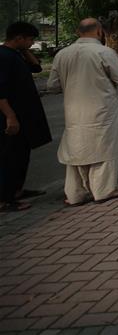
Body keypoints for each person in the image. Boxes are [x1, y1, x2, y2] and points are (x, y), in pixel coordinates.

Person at [46, 18, 118, 205]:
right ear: (100, 32)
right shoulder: (104, 52)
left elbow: (52, 86)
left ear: (78, 32)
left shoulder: (62, 54)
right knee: (103, 150)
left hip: (73, 112)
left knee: (76, 150)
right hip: (102, 110)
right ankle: (103, 191)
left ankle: (75, 194)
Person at [0, 22, 51, 212]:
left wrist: (25, 50)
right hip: (11, 116)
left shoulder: (16, 55)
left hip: (26, 115)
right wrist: (10, 116)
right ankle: (5, 199)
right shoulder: (3, 57)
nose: (32, 43)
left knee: (22, 154)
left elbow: (36, 68)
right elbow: (0, 91)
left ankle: (16, 190)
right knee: (9, 157)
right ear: (18, 38)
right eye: (29, 40)